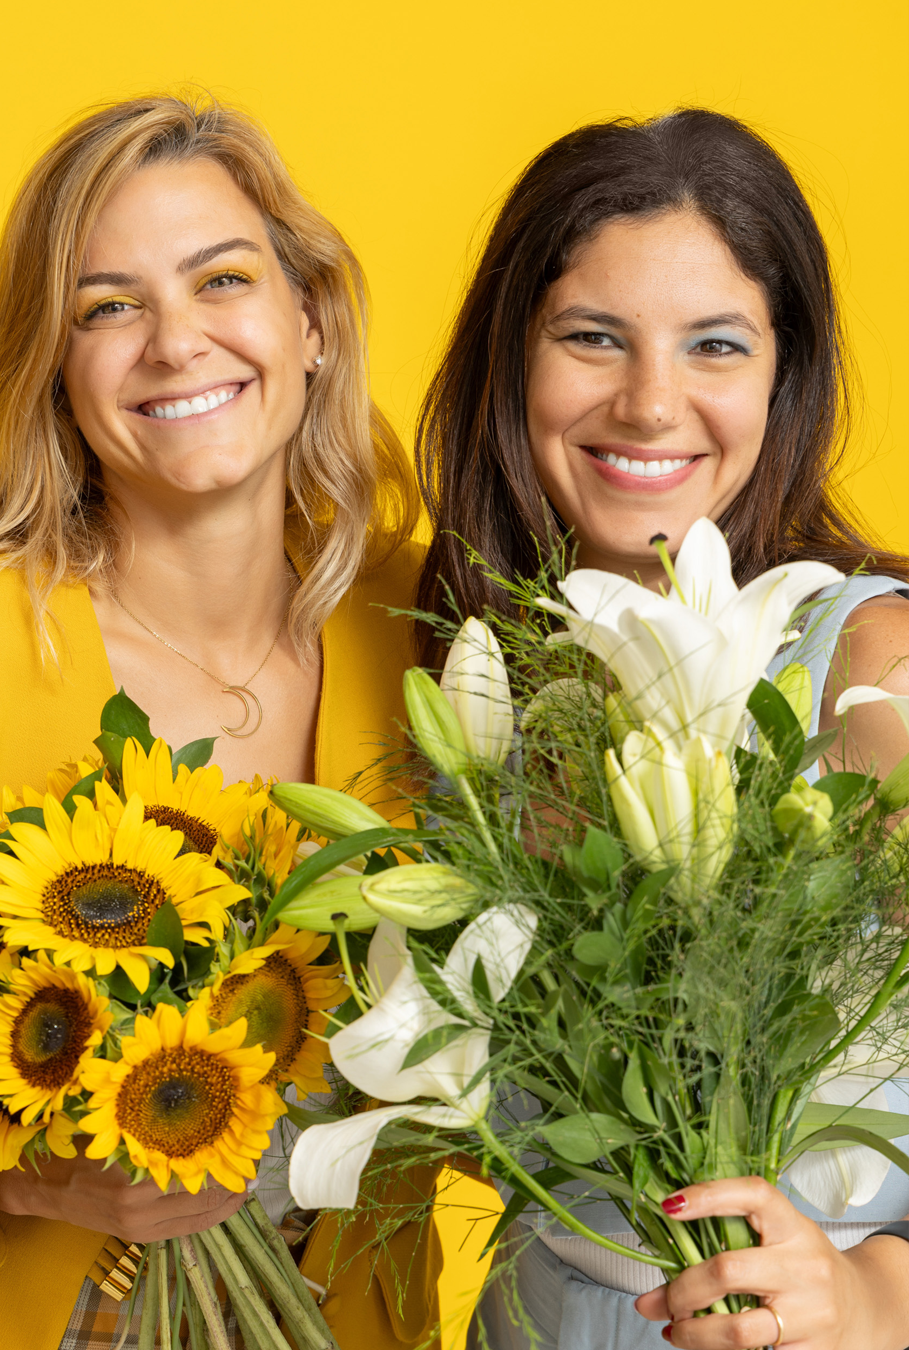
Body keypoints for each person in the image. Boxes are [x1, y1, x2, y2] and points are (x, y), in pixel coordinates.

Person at [0, 93, 439, 1350]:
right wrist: (23, 1171)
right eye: (108, 307)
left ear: (312, 321)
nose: (176, 342)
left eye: (223, 280)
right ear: (53, 371)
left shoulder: (435, 637)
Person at [414, 109, 909, 1349]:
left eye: (716, 345)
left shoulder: (865, 670)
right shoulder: (484, 686)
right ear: (513, 362)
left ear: (783, 377)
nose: (649, 403)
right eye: (592, 337)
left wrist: (870, 1300)